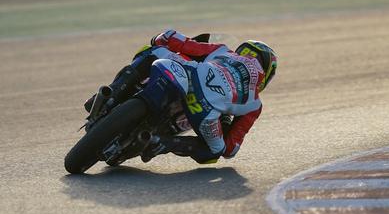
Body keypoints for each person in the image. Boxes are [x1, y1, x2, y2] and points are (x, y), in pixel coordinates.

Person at [91, 29, 277, 164]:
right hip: (202, 109)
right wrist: (224, 123)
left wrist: (159, 38)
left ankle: (111, 94)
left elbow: (177, 40)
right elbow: (230, 149)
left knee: (152, 51)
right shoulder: (254, 104)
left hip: (189, 75)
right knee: (216, 150)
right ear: (266, 76)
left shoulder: (222, 51)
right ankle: (161, 143)